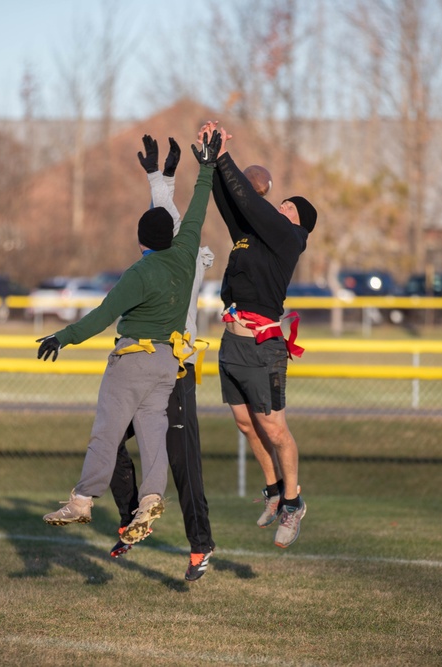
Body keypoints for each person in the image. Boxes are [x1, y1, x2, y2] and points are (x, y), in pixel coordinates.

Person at [38, 130, 222, 550]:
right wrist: (207, 167)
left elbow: (102, 317)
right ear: (173, 237)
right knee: (153, 436)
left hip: (132, 361)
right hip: (166, 365)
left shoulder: (138, 274)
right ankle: (151, 500)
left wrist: (62, 337)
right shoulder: (186, 255)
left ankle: (83, 500)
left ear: (141, 241)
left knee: (107, 432)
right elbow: (195, 212)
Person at [198, 120, 317, 549]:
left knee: (276, 429)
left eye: (288, 206)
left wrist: (225, 155)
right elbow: (232, 206)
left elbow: (248, 200)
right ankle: (271, 490)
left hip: (263, 347)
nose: (280, 207)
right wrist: (210, 165)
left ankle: (293, 501)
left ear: (299, 223)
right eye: (280, 203)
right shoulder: (251, 237)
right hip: (233, 342)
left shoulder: (290, 239)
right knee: (246, 424)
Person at [106, 134, 216, 582]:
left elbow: (177, 223)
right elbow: (164, 222)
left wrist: (163, 179)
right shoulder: (159, 259)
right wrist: (159, 177)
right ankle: (134, 519)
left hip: (177, 368)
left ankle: (200, 546)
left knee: (182, 460)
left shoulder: (185, 261)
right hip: (140, 365)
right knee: (109, 442)